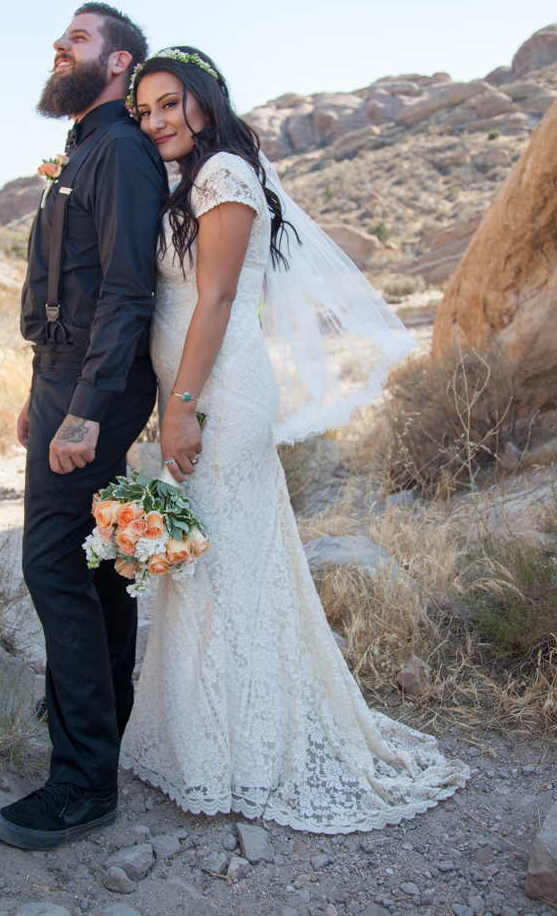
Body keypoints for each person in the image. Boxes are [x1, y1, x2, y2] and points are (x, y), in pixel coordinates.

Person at [120, 47, 469, 833]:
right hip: (189, 390)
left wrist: (180, 407)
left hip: (221, 393)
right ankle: (206, 739)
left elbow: (212, 300)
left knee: (222, 560)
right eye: (144, 111)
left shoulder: (226, 177)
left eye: (170, 104)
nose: (156, 121)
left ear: (204, 102)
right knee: (207, 562)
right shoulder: (186, 182)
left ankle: (243, 752)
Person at [0, 4, 168, 850]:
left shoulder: (124, 152)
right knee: (96, 572)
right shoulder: (87, 149)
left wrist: (87, 410)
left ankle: (83, 781)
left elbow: (130, 293)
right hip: (64, 380)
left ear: (118, 62)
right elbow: (73, 286)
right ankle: (99, 722)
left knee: (52, 565)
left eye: (79, 38)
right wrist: (43, 390)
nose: (59, 46)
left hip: (94, 388)